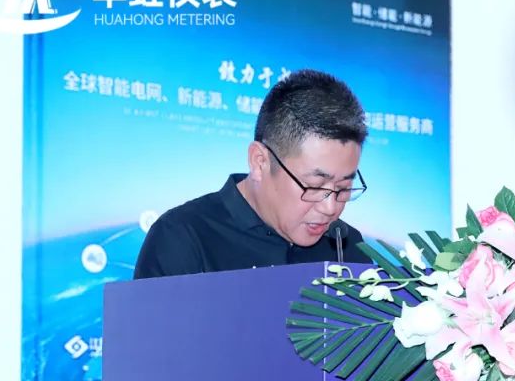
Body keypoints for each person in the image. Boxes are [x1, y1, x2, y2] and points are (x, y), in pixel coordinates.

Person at [133, 69, 372, 279]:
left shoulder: (347, 248)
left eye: (343, 188)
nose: (330, 208)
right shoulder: (182, 238)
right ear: (260, 162)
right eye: (315, 186)